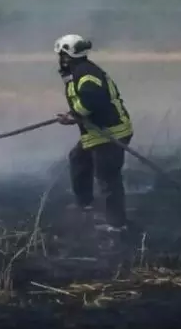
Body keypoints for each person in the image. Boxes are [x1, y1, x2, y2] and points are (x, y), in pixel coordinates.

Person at [54, 34, 136, 236]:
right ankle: (85, 204)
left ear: (66, 55)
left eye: (61, 55)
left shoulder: (86, 73)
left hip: (110, 133)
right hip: (96, 131)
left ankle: (117, 226)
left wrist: (73, 116)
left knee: (108, 178)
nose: (59, 59)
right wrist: (73, 114)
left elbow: (92, 101)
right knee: (78, 158)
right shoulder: (79, 71)